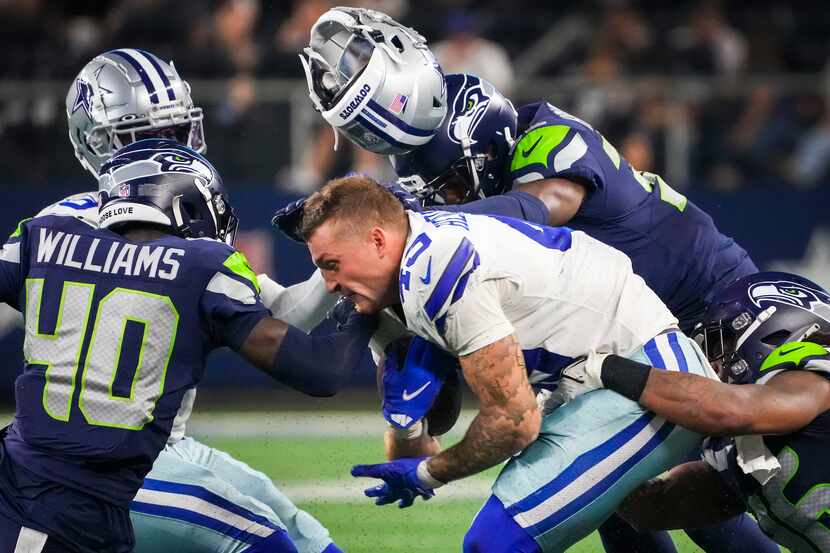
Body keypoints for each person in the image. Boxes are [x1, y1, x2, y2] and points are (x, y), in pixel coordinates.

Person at [298, 175, 715, 552]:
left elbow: (514, 421)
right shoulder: (405, 276)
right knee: (630, 518)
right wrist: (406, 423)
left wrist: (428, 473)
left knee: (495, 542)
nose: (330, 285)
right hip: (587, 381)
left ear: (377, 240)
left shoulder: (436, 267)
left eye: (331, 265)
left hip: (645, 372)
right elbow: (419, 432)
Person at [0, 140, 380, 552]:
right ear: (186, 204)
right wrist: (366, 309)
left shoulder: (42, 235)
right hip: (79, 509)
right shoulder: (200, 266)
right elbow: (320, 371)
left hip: (19, 480)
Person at [60, 50, 347, 553]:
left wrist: (343, 265)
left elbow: (275, 316)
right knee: (265, 539)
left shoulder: (166, 208)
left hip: (165, 445)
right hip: (100, 456)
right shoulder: (77, 226)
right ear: (96, 143)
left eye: (175, 132)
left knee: (304, 535)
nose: (167, 150)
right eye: (145, 136)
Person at [554, 270, 830, 552]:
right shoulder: (747, 454)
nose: (710, 364)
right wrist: (590, 437)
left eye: (719, 345)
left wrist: (606, 369)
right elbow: (651, 509)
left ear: (770, 325)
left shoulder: (816, 372)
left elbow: (732, 408)